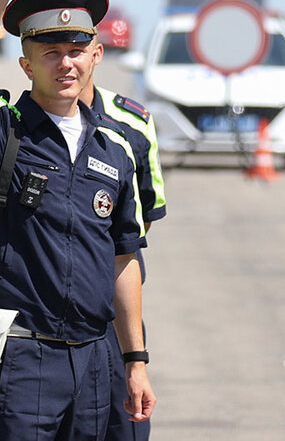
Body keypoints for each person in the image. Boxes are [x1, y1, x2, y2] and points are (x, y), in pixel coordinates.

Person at [0, 0, 156, 440]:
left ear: (95, 57)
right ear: (26, 64)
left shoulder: (116, 148)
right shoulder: (3, 132)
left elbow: (123, 259)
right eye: (49, 53)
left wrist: (135, 360)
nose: (64, 63)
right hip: (24, 356)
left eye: (75, 51)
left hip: (95, 357)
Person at [81, 78, 165, 441]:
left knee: (123, 423)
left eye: (78, 48)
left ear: (95, 52)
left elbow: (140, 220)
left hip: (114, 309)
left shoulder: (132, 121)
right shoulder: (13, 130)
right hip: (40, 320)